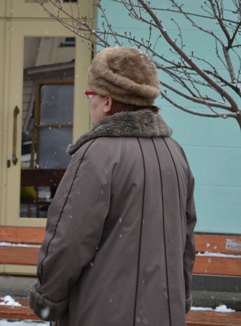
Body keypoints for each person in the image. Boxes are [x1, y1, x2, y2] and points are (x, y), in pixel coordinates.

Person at [28, 47, 197, 326]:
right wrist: (181, 296)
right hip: (164, 313)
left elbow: (69, 240)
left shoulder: (95, 154)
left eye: (90, 96)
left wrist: (48, 297)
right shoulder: (175, 153)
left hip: (101, 313)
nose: (89, 103)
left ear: (107, 102)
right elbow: (186, 240)